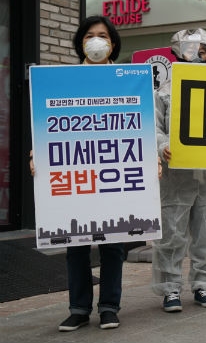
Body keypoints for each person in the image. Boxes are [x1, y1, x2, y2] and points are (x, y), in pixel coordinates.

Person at [49, 16, 124, 331]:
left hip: (113, 171)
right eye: (90, 36)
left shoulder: (126, 78)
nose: (96, 41)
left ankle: (109, 306)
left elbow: (139, 124)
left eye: (103, 36)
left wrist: (151, 160)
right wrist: (38, 155)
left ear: (112, 43)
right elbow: (48, 122)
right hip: (77, 170)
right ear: (80, 42)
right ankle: (79, 308)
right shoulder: (63, 79)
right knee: (76, 242)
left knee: (113, 243)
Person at [151, 28, 206, 312]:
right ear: (178, 52)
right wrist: (162, 147)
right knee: (171, 233)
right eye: (190, 50)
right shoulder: (165, 91)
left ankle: (204, 285)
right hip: (177, 175)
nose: (196, 56)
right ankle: (170, 289)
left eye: (202, 51)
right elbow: (155, 127)